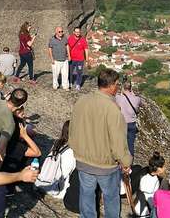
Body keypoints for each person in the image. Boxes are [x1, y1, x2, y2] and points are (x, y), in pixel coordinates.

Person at [69, 68, 132, 218]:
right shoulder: (112, 109)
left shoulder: (82, 101)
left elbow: (72, 128)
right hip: (105, 164)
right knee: (111, 197)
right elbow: (118, 141)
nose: (118, 88)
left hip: (83, 159)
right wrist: (125, 161)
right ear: (111, 85)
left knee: (86, 194)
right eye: (117, 84)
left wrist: (76, 149)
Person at [35, 120, 76, 199]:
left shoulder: (57, 143)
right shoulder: (71, 151)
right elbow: (67, 172)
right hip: (57, 188)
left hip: (44, 179)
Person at [133, 152, 166, 218]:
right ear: (158, 169)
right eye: (163, 166)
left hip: (137, 205)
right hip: (144, 211)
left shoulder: (144, 172)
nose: (164, 168)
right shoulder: (151, 181)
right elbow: (151, 201)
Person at [115, 78, 141, 157]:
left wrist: (122, 93)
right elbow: (139, 105)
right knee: (130, 145)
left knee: (121, 143)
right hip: (132, 124)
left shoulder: (118, 97)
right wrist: (132, 94)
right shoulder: (137, 99)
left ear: (123, 88)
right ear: (131, 88)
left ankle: (120, 160)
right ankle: (129, 163)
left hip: (122, 123)